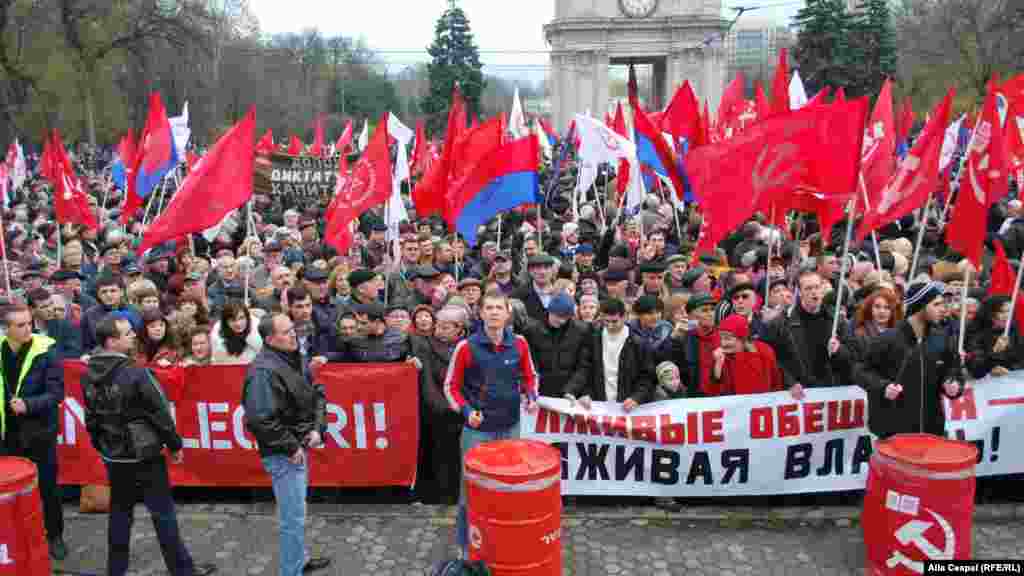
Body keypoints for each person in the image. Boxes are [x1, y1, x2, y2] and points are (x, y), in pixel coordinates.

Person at [80, 313, 217, 576]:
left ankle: (116, 570)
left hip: (115, 455)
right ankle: (182, 570)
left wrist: (104, 448)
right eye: (127, 333)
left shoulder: (89, 374)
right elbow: (160, 413)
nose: (134, 335)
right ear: (111, 342)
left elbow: (91, 419)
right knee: (162, 513)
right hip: (144, 455)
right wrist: (174, 445)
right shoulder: (136, 373)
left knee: (120, 514)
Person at [443, 290, 539, 557]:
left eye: (499, 308)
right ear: (481, 313)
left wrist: (531, 396)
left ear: (508, 313)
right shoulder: (466, 347)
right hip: (477, 432)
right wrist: (466, 411)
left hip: (510, 428)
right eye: (489, 308)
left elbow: (530, 376)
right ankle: (465, 548)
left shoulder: (520, 343)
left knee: (507, 487)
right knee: (470, 490)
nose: (494, 312)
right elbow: (450, 386)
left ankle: (503, 542)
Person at [242, 313, 331, 576]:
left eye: (293, 328)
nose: (293, 334)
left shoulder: (295, 357)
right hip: (286, 454)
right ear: (270, 339)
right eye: (286, 331)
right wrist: (290, 447)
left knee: (297, 513)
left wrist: (317, 428)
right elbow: (259, 419)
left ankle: (299, 560)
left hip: (298, 446)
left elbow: (317, 394)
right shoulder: (262, 372)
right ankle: (291, 570)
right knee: (292, 519)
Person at [854, 281, 963, 438]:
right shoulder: (888, 339)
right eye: (936, 304)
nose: (943, 309)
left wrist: (954, 385)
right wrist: (883, 387)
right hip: (894, 432)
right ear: (920, 306)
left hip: (931, 430)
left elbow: (954, 370)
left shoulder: (942, 339)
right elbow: (860, 371)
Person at [0, 304, 66, 560]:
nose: (28, 328)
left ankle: (55, 535)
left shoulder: (46, 350)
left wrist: (29, 404)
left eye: (29, 323)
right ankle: (14, 536)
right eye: (21, 325)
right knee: (9, 489)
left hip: (39, 431)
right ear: (6, 329)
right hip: (6, 432)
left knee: (47, 486)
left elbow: (56, 393)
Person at [761, 270, 852, 398]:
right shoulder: (782, 323)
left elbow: (853, 355)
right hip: (800, 393)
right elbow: (772, 359)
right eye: (808, 288)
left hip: (831, 391)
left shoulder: (837, 320)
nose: (814, 292)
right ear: (799, 292)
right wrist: (789, 382)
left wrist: (839, 350)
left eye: (817, 287)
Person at [568, 298, 655, 411]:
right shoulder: (593, 339)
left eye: (614, 321)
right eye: (606, 321)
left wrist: (637, 398)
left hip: (627, 407)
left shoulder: (638, 343)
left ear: (624, 317)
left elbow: (647, 377)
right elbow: (585, 369)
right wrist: (585, 393)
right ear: (601, 317)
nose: (610, 326)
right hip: (598, 405)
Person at [519, 292, 593, 398]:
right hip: (541, 391)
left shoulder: (581, 331)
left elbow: (583, 366)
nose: (561, 321)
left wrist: (570, 390)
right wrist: (531, 389)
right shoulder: (532, 331)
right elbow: (530, 366)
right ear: (550, 311)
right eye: (558, 316)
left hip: (570, 392)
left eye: (566, 317)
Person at [710, 314, 783, 396]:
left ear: (742, 338)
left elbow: (776, 383)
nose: (723, 343)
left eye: (728, 339)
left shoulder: (765, 351)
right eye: (721, 338)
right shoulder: (722, 356)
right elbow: (715, 391)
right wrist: (718, 365)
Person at [210, 300, 263, 364]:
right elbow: (217, 361)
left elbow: (262, 352)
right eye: (233, 320)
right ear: (226, 321)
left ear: (247, 317)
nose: (238, 324)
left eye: (241, 318)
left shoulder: (257, 327)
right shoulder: (217, 334)